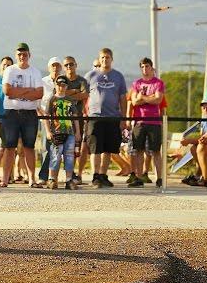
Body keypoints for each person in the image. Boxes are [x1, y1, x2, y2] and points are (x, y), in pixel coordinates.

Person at [0, 43, 44, 188]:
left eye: (24, 54)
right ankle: (5, 179)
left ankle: (32, 179)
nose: (22, 57)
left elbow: (39, 93)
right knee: (9, 147)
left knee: (29, 147)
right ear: (15, 55)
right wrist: (28, 91)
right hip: (11, 112)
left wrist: (18, 91)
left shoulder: (35, 72)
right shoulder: (9, 70)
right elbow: (7, 91)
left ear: (29, 55)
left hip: (30, 113)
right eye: (19, 54)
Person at [84, 48, 127, 188]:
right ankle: (95, 175)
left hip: (113, 117)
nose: (105, 60)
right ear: (99, 59)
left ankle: (103, 175)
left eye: (107, 57)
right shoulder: (91, 76)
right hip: (95, 117)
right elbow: (83, 95)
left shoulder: (118, 76)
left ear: (111, 59)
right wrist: (84, 113)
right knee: (95, 148)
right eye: (102, 57)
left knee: (108, 149)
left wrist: (123, 118)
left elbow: (123, 98)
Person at [127, 58, 165, 188]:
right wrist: (149, 98)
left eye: (147, 66)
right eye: (142, 67)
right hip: (139, 120)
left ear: (151, 67)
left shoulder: (158, 83)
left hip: (154, 121)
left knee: (155, 151)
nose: (145, 69)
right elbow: (134, 102)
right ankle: (138, 177)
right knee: (138, 150)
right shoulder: (136, 83)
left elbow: (158, 100)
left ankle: (160, 178)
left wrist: (142, 97)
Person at [44, 75, 81, 189]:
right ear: (55, 85)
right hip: (56, 131)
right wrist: (48, 131)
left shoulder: (69, 100)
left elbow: (74, 117)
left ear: (66, 86)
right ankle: (52, 179)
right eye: (59, 85)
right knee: (56, 155)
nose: (61, 87)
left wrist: (77, 131)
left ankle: (69, 180)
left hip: (69, 131)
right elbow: (46, 116)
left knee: (69, 155)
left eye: (64, 85)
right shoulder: (51, 99)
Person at [61, 56, 88, 184]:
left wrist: (68, 93)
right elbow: (60, 94)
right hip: (63, 119)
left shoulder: (82, 80)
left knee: (76, 146)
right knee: (63, 147)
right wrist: (74, 91)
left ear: (76, 65)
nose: (69, 67)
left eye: (71, 64)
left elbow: (85, 95)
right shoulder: (61, 80)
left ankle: (72, 173)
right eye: (66, 65)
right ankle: (67, 173)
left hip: (78, 118)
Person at [37, 56, 62, 184]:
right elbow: (37, 102)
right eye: (53, 65)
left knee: (60, 149)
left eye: (58, 65)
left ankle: (55, 177)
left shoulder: (63, 82)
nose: (55, 68)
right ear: (49, 67)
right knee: (46, 148)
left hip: (60, 121)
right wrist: (42, 115)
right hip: (44, 119)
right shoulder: (42, 82)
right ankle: (43, 176)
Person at [0, 56, 13, 183]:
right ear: (0, 65)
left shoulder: (12, 81)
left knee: (8, 148)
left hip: (9, 118)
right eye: (4, 64)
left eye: (9, 65)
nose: (6, 67)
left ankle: (7, 175)